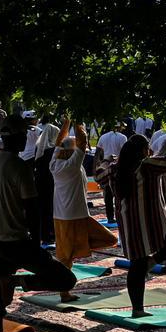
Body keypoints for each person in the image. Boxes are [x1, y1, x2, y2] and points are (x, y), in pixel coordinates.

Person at [0, 114, 78, 332]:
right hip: (16, 241)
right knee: (66, 279)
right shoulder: (19, 167)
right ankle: (18, 282)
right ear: (17, 137)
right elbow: (32, 210)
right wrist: (37, 243)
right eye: (23, 136)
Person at [110, 134, 166, 318]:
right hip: (154, 222)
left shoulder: (115, 169)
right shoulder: (147, 166)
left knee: (138, 264)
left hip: (130, 224)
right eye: (147, 148)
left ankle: (138, 308)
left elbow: (99, 174)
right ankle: (153, 262)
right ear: (143, 150)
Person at [49, 120, 117, 302]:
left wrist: (66, 123)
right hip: (74, 216)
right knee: (68, 258)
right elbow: (83, 141)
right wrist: (78, 119)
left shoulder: (54, 164)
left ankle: (79, 251)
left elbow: (58, 142)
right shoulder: (71, 165)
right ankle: (64, 291)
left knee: (67, 256)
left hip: (62, 215)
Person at [93, 120, 128, 223]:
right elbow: (124, 153)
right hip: (118, 167)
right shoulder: (122, 137)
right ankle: (119, 215)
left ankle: (110, 217)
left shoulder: (103, 137)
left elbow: (97, 154)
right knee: (118, 192)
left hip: (106, 166)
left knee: (107, 193)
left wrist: (95, 169)